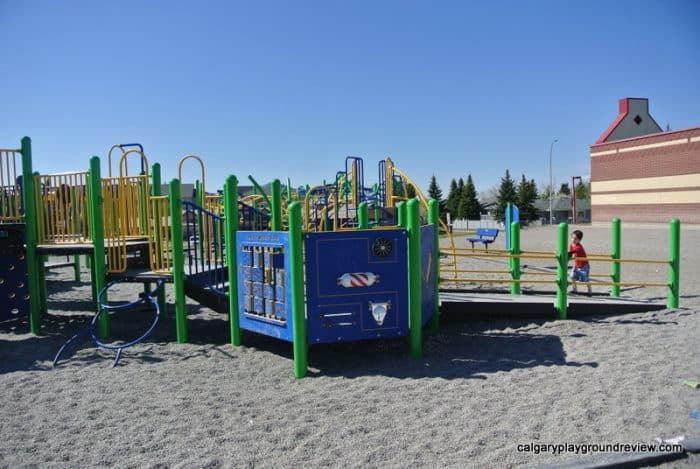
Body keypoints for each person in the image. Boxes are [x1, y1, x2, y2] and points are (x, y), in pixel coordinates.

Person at [568, 229, 592, 295]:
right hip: (577, 264)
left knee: (585, 279)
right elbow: (571, 254)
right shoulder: (571, 245)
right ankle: (575, 289)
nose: (573, 240)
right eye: (572, 238)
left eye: (575, 239)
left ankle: (590, 290)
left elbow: (572, 252)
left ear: (579, 240)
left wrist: (567, 255)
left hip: (584, 265)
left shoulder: (579, 247)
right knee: (572, 276)